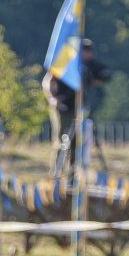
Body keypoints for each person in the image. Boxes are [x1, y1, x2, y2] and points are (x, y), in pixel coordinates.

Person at [43, 38, 109, 172]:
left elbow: (104, 76)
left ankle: (73, 175)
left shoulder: (89, 65)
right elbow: (48, 80)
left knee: (77, 143)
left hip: (79, 108)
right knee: (63, 140)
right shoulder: (65, 61)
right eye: (85, 51)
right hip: (63, 106)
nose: (88, 54)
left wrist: (90, 79)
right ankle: (57, 171)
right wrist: (53, 98)